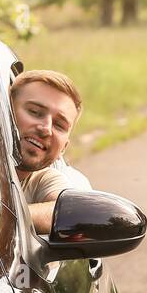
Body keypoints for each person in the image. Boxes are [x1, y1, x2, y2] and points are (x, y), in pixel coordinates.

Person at [9, 69, 92, 233]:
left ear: (63, 148)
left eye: (59, 125)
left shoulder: (43, 180)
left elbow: (71, 214)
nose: (45, 129)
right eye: (34, 112)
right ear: (4, 113)